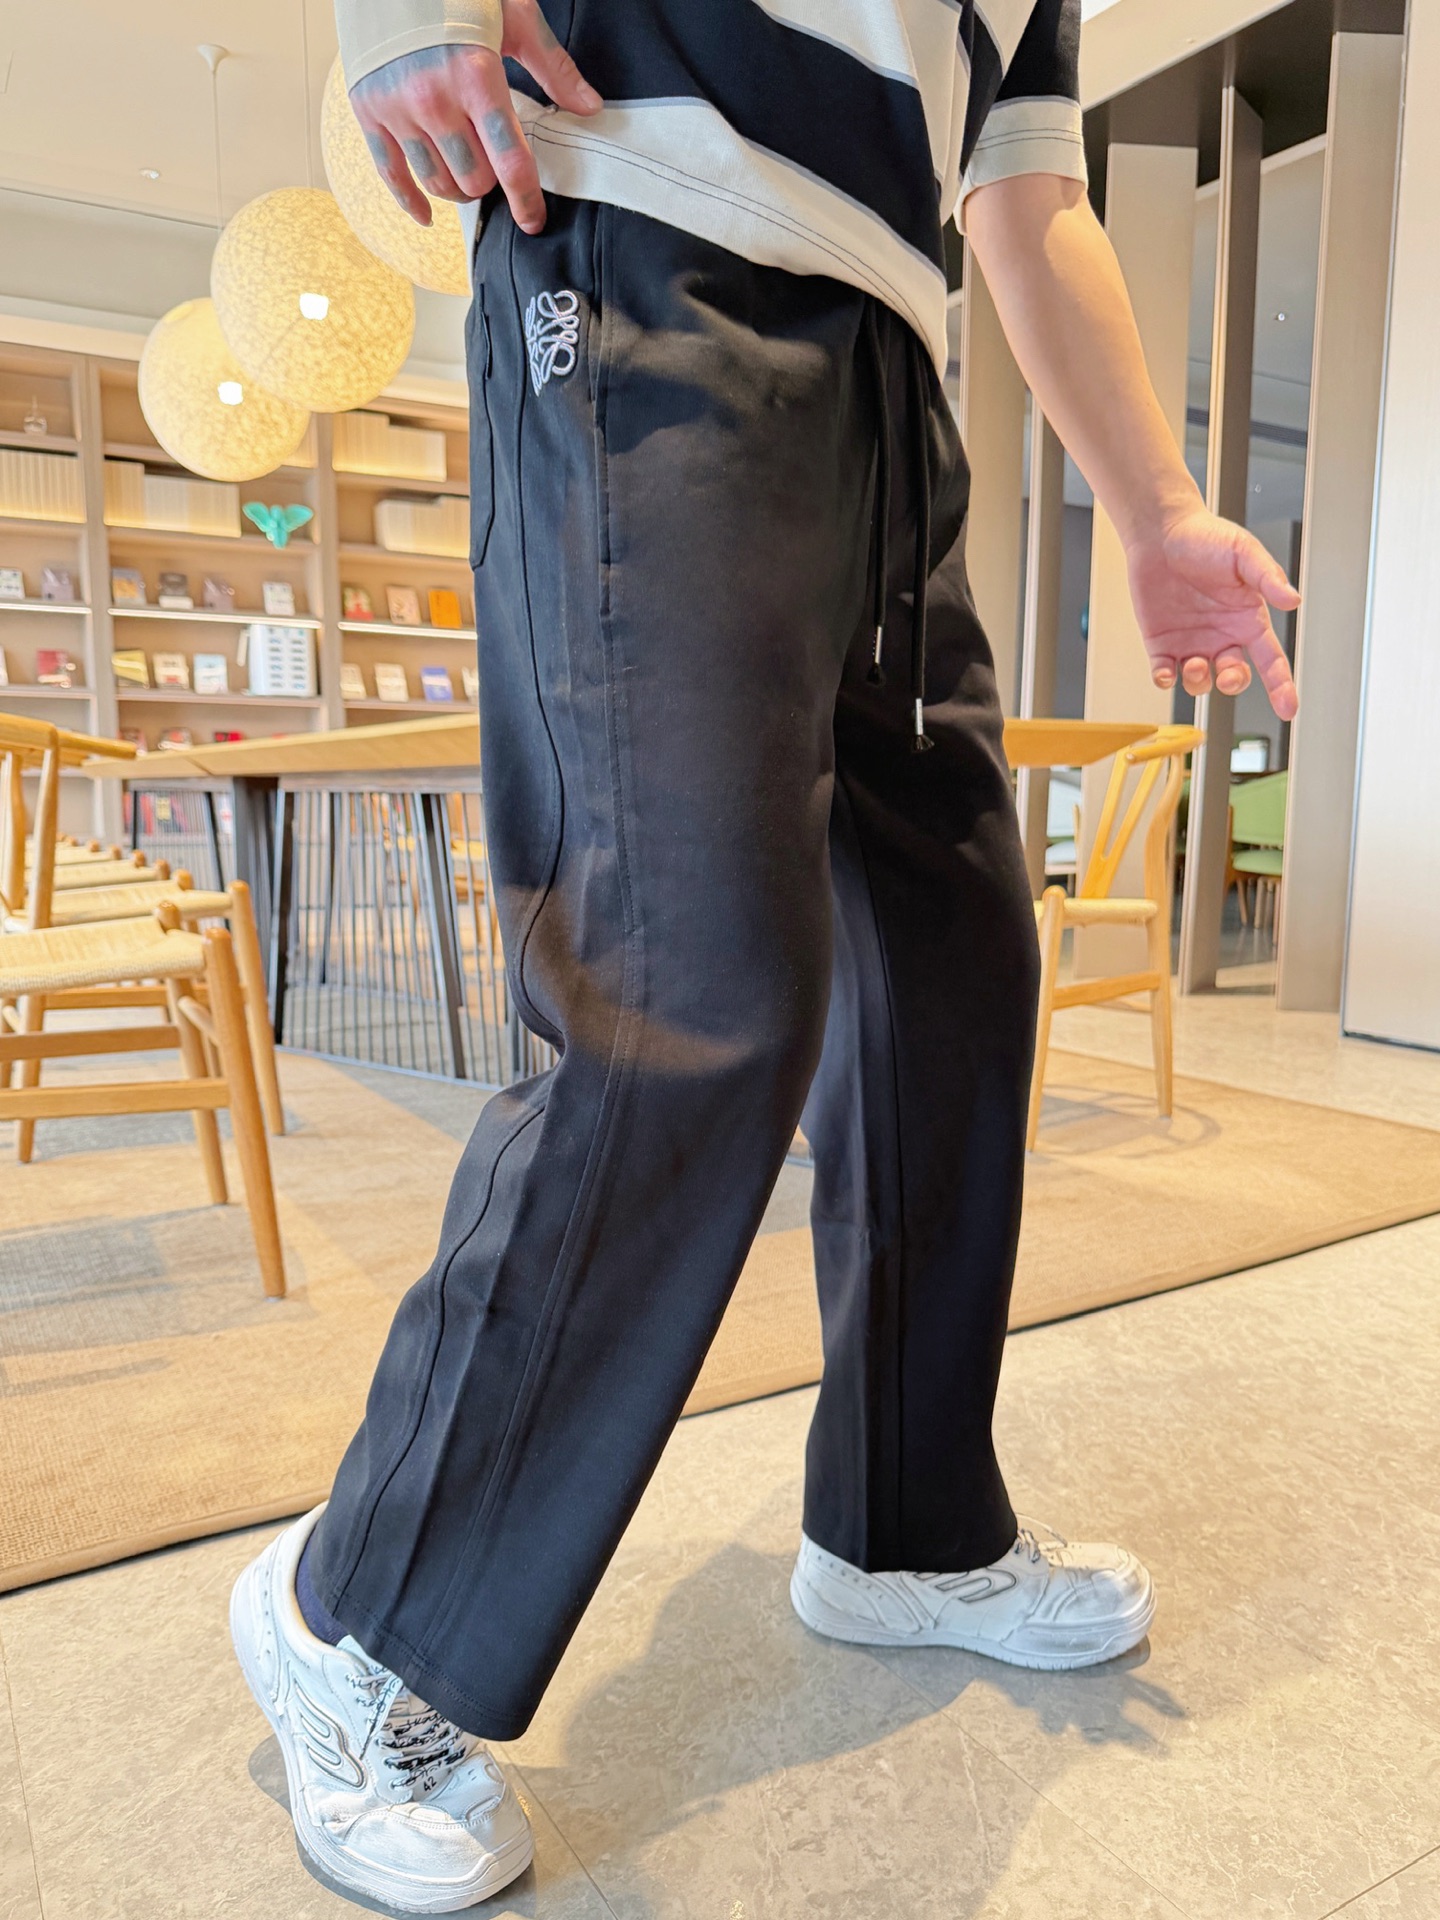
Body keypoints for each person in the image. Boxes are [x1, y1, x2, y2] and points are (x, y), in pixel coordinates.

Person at [230, 2, 1301, 1908]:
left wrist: (1155, 510)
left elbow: (1030, 196)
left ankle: (903, 1528)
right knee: (687, 991)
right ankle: (361, 1618)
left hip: (892, 376)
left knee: (952, 978)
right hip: (648, 260)